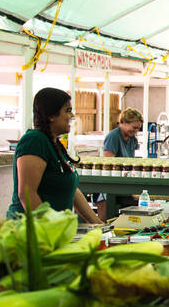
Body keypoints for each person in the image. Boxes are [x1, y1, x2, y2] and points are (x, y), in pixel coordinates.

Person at [8, 87, 103, 224]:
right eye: (68, 111)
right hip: (29, 231)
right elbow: (27, 194)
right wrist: (49, 228)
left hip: (54, 230)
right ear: (51, 115)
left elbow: (71, 190)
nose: (73, 116)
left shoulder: (54, 143)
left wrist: (98, 225)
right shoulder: (34, 141)